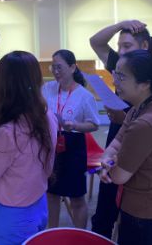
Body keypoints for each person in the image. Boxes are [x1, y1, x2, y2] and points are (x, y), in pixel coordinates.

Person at [88, 20, 152, 238]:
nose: (120, 52)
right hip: (121, 141)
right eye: (119, 46)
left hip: (146, 188)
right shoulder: (124, 68)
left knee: (135, 208)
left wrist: (124, 118)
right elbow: (96, 42)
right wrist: (121, 24)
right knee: (106, 207)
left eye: (126, 46)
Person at [0, 50, 55, 245]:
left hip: (10, 219)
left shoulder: (9, 133)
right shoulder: (48, 116)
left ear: (2, 85)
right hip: (38, 206)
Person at [99, 50, 152, 244]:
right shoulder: (141, 107)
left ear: (145, 84)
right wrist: (108, 159)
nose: (114, 81)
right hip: (146, 212)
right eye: (115, 74)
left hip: (147, 219)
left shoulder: (145, 123)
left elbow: (118, 176)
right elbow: (117, 141)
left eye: (122, 77)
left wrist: (109, 164)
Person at [41, 50, 99, 230]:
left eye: (59, 67)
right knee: (51, 194)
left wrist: (74, 125)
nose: (55, 71)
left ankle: (80, 236)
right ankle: (52, 233)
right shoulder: (47, 88)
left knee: (76, 197)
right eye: (53, 67)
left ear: (73, 67)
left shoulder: (84, 95)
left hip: (73, 146)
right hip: (51, 144)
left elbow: (94, 124)